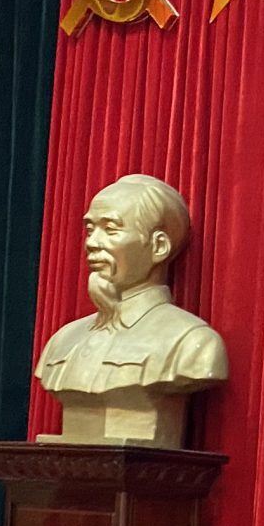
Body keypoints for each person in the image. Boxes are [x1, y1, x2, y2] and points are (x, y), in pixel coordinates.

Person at [35, 173, 227, 446]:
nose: (92, 243)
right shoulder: (63, 340)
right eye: (90, 230)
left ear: (159, 246)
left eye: (110, 229)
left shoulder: (192, 342)